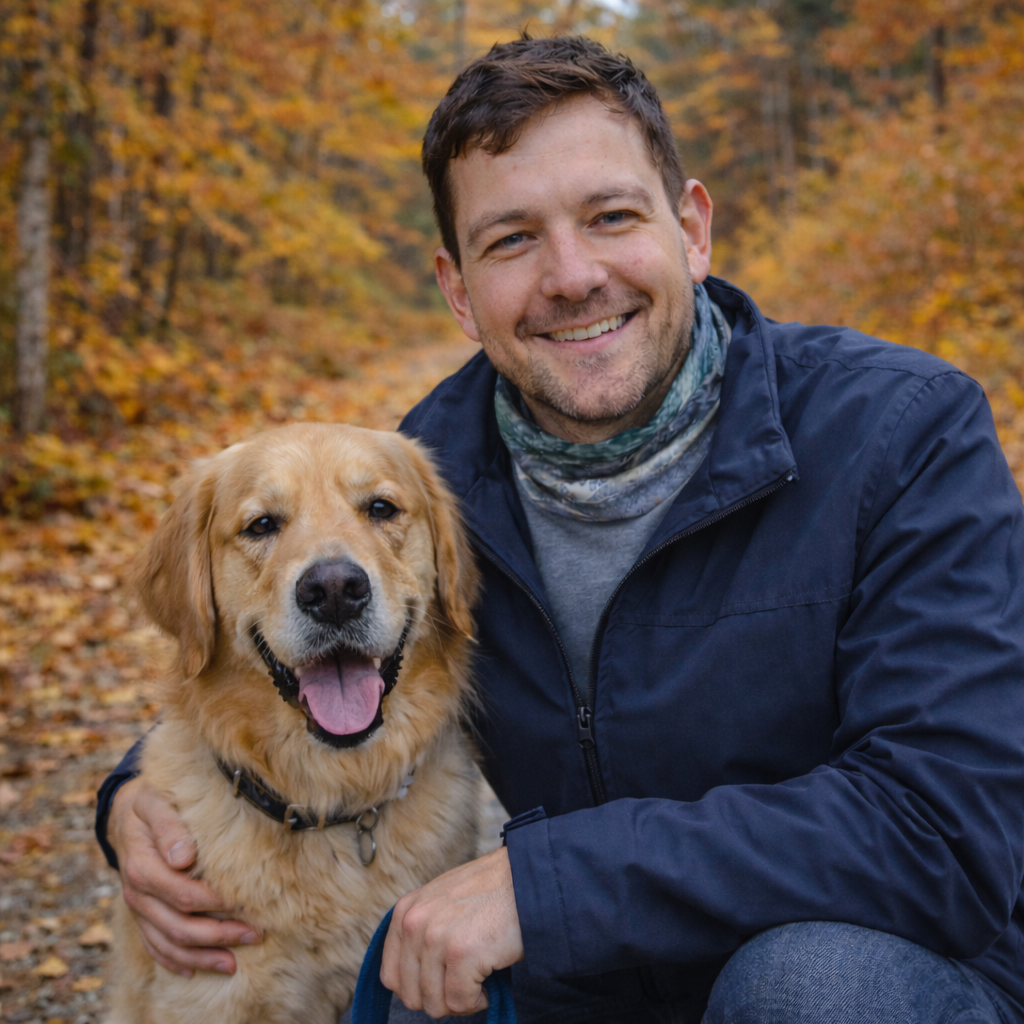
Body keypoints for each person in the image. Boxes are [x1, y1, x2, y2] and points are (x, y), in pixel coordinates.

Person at [96, 36, 1024, 1024]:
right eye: (511, 241)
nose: (573, 275)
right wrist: (130, 800)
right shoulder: (421, 483)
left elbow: (945, 826)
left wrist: (547, 887)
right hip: (601, 977)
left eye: (610, 216)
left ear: (692, 228)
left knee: (801, 990)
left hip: (889, 974)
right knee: (419, 982)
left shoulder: (903, 432)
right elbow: (288, 634)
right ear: (459, 290)